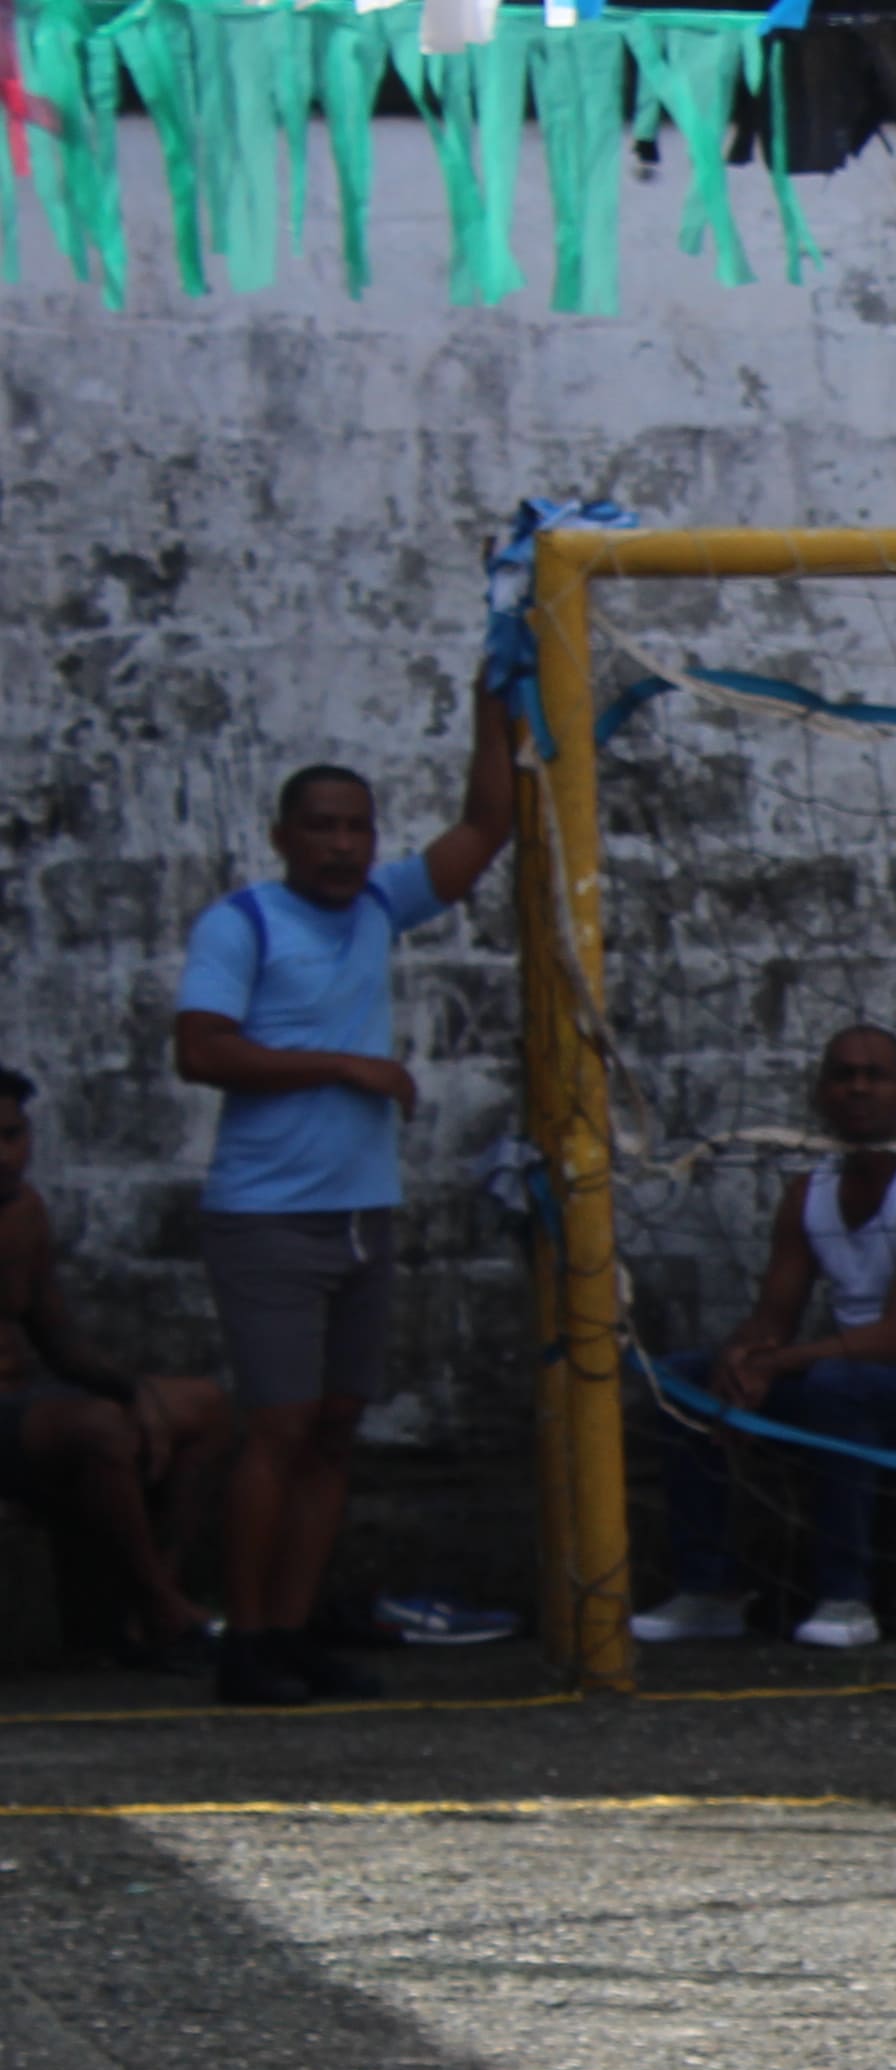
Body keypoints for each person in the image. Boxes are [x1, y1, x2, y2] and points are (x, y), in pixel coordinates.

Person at [167, 679, 519, 1704]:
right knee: (275, 1429)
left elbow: (485, 826)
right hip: (267, 1216)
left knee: (331, 1428)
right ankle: (245, 1644)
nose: (342, 845)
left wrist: (493, 702)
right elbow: (201, 1051)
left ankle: (290, 1628)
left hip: (362, 1210)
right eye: (321, 827)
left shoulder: (377, 906)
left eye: (357, 827)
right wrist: (343, 1066)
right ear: (284, 836)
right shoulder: (243, 924)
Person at [629, 1029, 896, 1652]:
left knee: (838, 1385)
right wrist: (744, 1356)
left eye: (874, 1074)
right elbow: (774, 1316)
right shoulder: (809, 1191)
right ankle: (708, 1591)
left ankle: (846, 1597)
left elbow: (894, 1340)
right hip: (856, 1387)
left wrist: (781, 1362)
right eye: (842, 1074)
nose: (858, 1087)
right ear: (821, 1092)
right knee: (686, 1380)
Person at [0, 1066, 237, 1667]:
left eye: (12, 1136)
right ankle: (164, 1607)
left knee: (200, 1405)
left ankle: (155, 1605)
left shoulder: (24, 1211)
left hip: (24, 1401)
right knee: (99, 1428)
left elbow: (56, 1337)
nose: (5, 1156)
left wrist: (134, 1392)